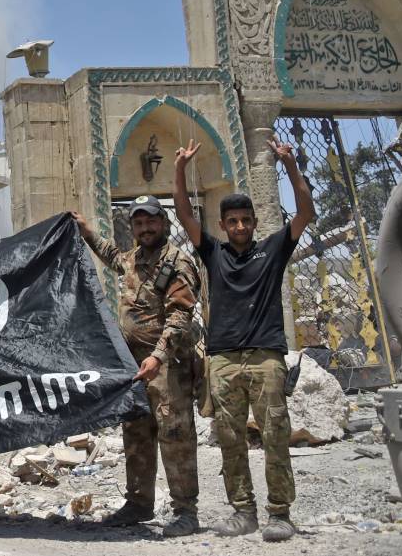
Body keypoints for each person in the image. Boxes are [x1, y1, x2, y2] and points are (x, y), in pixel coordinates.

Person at [173, 136, 314, 542]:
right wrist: (181, 169)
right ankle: (243, 511)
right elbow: (183, 214)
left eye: (245, 221)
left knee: (274, 435)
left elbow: (306, 211)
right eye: (232, 221)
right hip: (223, 360)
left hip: (266, 357)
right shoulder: (213, 254)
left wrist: (289, 165)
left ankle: (280, 513)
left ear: (254, 223)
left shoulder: (272, 249)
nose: (239, 227)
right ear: (223, 225)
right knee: (230, 439)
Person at [72, 197, 201, 537]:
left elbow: (180, 317)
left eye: (152, 222)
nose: (146, 228)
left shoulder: (177, 262)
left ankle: (186, 510)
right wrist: (86, 233)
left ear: (164, 223)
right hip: (135, 366)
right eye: (139, 223)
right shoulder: (133, 259)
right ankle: (138, 503)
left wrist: (157, 355)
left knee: (175, 436)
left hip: (167, 364)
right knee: (137, 433)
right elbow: (113, 257)